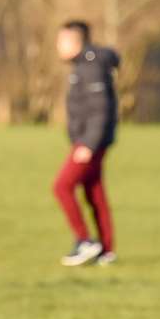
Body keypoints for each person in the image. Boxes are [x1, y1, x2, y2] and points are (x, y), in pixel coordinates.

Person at [52, 20, 119, 266]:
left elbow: (100, 109)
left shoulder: (90, 66)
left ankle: (85, 242)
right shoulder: (84, 65)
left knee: (61, 187)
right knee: (95, 192)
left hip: (89, 143)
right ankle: (107, 250)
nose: (57, 47)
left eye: (61, 41)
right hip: (89, 141)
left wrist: (88, 145)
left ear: (74, 41)